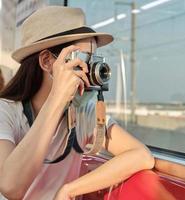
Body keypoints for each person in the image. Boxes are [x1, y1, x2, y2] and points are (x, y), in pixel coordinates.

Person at [0, 6, 154, 200]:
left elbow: (142, 155)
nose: (89, 71)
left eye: (93, 61)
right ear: (47, 61)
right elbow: (10, 187)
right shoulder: (5, 111)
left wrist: (69, 190)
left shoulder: (83, 112)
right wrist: (57, 98)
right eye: (82, 60)